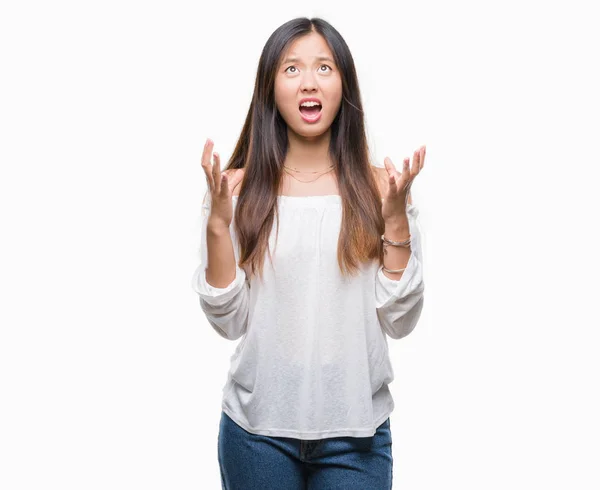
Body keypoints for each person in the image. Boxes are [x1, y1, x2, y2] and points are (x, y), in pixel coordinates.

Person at [191, 16, 426, 490]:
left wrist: (396, 219)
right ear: (270, 87)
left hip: (356, 437)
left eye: (324, 67)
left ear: (344, 83)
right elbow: (228, 321)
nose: (309, 82)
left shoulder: (381, 188)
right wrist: (219, 224)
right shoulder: (236, 190)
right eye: (291, 69)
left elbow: (400, 320)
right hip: (256, 436)